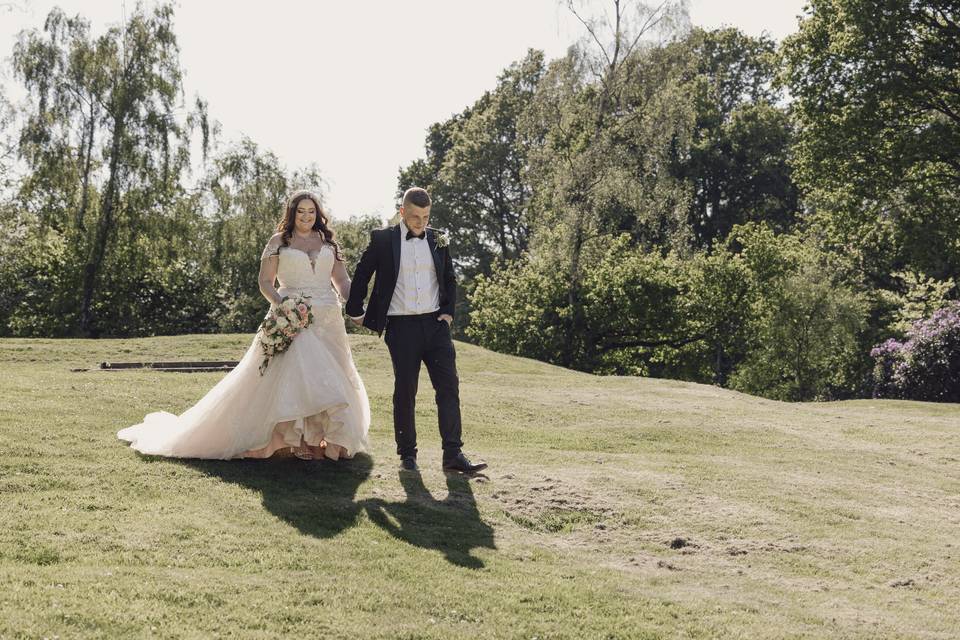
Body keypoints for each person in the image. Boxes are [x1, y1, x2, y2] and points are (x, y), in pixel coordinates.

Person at [117, 190, 370, 460]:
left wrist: (354, 304)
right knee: (298, 375)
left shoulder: (327, 242)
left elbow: (342, 281)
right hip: (292, 317)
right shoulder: (278, 241)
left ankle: (322, 439)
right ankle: (292, 440)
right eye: (300, 211)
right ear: (292, 213)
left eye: (311, 211)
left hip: (328, 319)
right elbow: (264, 282)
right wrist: (283, 305)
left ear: (318, 214)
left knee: (330, 377)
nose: (306, 217)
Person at [346, 186, 486, 473]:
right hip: (401, 327)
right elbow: (362, 272)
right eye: (414, 217)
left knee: (448, 387)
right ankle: (407, 456)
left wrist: (448, 312)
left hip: (435, 326)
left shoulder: (438, 239)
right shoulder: (383, 240)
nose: (421, 223)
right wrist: (356, 309)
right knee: (405, 390)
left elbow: (449, 277)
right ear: (402, 212)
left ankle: (453, 455)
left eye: (425, 216)